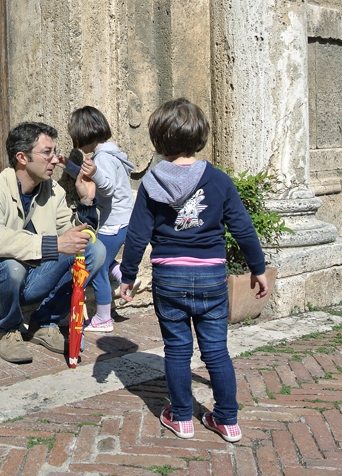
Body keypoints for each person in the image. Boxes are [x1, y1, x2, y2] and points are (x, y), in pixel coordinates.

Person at [119, 98, 269, 442]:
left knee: (177, 349)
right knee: (216, 350)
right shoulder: (218, 180)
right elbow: (243, 228)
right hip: (211, 276)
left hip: (169, 276)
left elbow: (138, 234)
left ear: (158, 139)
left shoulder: (151, 184)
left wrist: (128, 276)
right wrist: (257, 268)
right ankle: (228, 420)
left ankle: (182, 417)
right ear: (200, 135)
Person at [0, 122, 106, 364]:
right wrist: (52, 245)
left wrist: (86, 203)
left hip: (34, 281)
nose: (55, 160)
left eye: (54, 153)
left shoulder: (53, 191)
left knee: (94, 250)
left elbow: (72, 237)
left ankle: (45, 321)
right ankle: (8, 330)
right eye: (47, 153)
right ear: (22, 157)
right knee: (12, 265)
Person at [59, 106, 139, 333]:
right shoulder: (110, 153)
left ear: (85, 133)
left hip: (114, 223)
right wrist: (68, 166)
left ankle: (103, 318)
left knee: (97, 266)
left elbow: (107, 185)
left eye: (75, 135)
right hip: (123, 221)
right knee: (103, 257)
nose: (75, 142)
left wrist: (94, 172)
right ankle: (125, 275)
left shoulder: (103, 157)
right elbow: (91, 175)